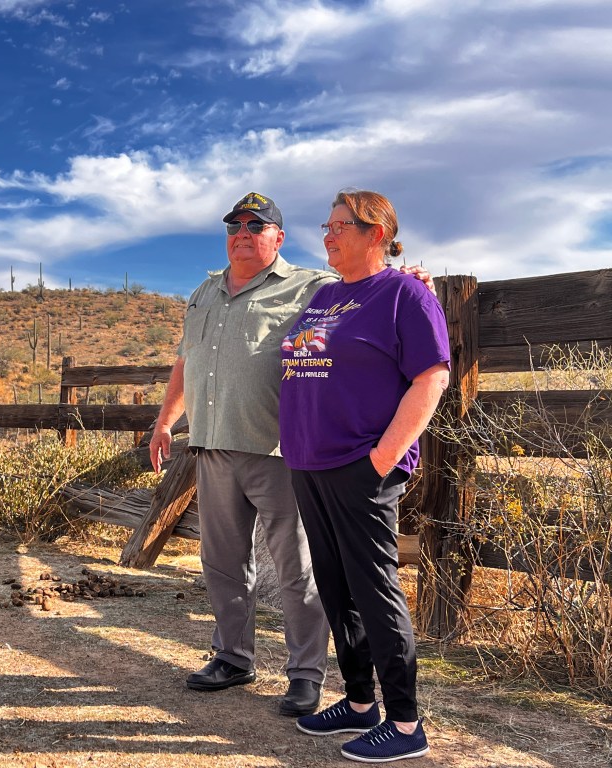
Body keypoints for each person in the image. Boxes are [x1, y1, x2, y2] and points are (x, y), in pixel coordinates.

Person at [150, 192, 432, 717]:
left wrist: (409, 278)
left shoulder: (311, 286)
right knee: (222, 563)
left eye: (256, 226)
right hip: (212, 444)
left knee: (297, 568)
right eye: (234, 225)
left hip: (281, 450)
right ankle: (233, 658)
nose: (242, 233)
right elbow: (187, 360)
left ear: (278, 238)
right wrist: (166, 420)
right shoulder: (203, 293)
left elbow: (368, 287)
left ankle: (305, 675)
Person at [279, 189, 450, 762]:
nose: (327, 235)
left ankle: (405, 724)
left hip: (361, 466)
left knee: (375, 589)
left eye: (340, 226)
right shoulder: (324, 297)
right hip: (308, 463)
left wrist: (382, 458)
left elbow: (431, 377)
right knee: (335, 586)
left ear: (376, 233)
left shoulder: (405, 294)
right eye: (326, 226)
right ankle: (358, 703)